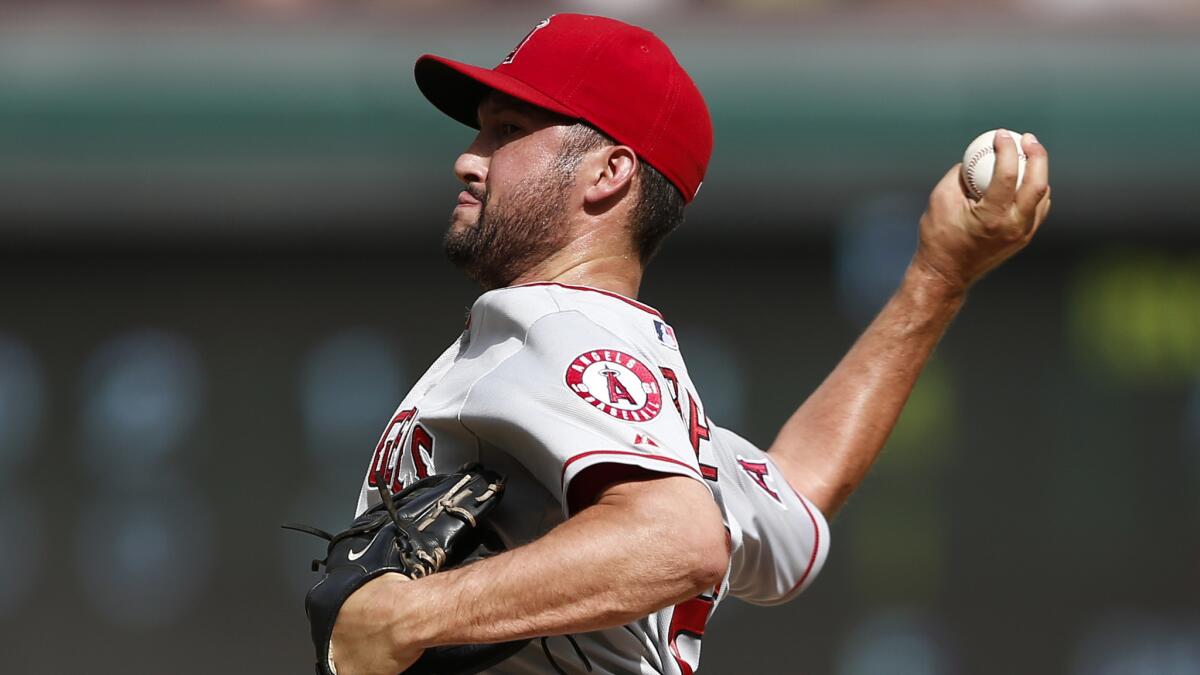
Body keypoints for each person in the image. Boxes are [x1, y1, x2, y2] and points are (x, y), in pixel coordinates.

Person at [325, 13, 1051, 675]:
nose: (470, 158)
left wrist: (412, 617)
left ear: (609, 174)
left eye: (509, 130)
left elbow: (678, 538)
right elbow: (797, 490)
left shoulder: (552, 327)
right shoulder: (652, 404)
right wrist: (937, 275)